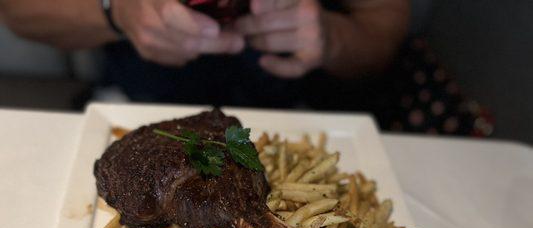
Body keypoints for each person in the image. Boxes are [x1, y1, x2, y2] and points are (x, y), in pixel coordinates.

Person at [0, 0, 409, 106]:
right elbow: (19, 12)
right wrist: (117, 11)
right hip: (133, 107)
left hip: (297, 117)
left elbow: (383, 35)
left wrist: (330, 37)